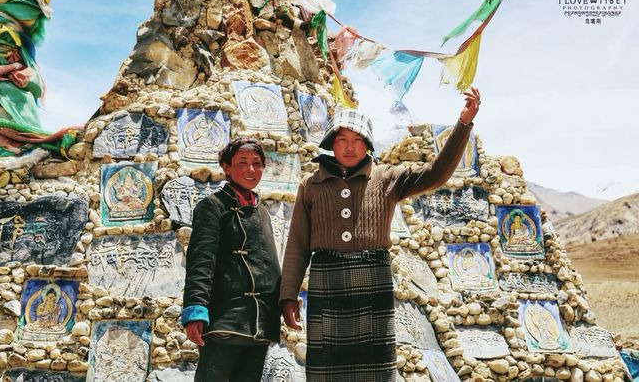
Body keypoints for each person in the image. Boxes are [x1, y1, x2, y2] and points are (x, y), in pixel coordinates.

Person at [280, 88, 481, 381]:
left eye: (357, 140)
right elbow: (297, 244)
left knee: (375, 370)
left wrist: (463, 124)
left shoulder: (387, 178)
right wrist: (288, 295)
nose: (350, 147)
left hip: (373, 282)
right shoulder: (311, 185)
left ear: (368, 144)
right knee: (327, 370)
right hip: (328, 282)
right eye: (342, 140)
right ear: (331, 143)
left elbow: (437, 172)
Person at [181, 138, 281, 382]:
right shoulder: (212, 206)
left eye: (257, 163)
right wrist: (195, 310)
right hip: (224, 320)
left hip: (258, 325)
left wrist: (280, 306)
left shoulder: (262, 211)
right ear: (226, 167)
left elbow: (270, 265)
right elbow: (201, 261)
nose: (250, 169)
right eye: (242, 162)